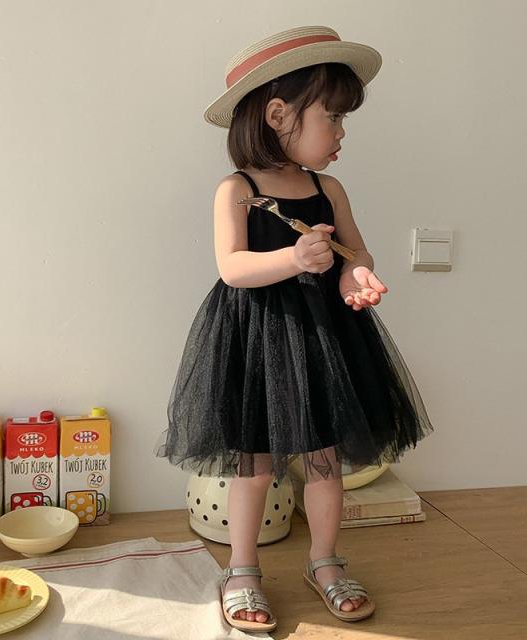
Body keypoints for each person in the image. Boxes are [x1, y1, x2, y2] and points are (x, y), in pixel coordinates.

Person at [156, 25, 433, 633]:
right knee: (253, 467)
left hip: (321, 341)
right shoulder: (237, 190)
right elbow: (232, 268)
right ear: (278, 114)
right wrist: (294, 258)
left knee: (324, 461)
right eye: (332, 118)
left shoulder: (327, 189)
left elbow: (355, 250)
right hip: (255, 339)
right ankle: (242, 570)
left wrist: (355, 275)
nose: (341, 133)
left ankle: (325, 561)